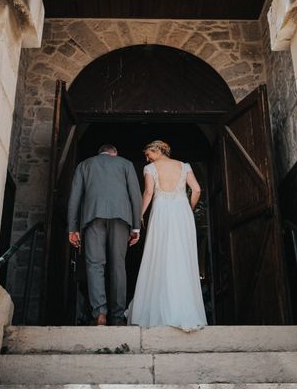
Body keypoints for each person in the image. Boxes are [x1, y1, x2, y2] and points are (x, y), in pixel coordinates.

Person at [128, 140, 207, 330]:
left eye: (148, 154)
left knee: (159, 256)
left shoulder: (150, 168)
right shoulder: (185, 166)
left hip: (162, 211)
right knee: (181, 257)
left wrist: (140, 214)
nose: (147, 158)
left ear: (158, 150)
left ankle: (159, 308)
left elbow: (148, 193)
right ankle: (184, 308)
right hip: (182, 212)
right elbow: (196, 189)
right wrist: (189, 208)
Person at [67, 144, 142, 326]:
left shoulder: (85, 165)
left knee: (95, 265)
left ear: (99, 152)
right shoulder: (126, 164)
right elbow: (135, 195)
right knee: (118, 265)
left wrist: (72, 228)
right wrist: (136, 227)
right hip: (121, 217)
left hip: (92, 217)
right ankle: (117, 316)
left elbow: (75, 196)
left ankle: (100, 313)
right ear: (114, 153)